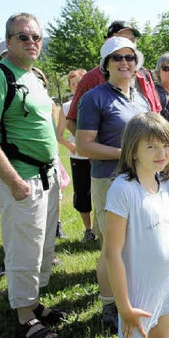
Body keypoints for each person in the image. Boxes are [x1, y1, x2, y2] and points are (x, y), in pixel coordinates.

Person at [0, 13, 64, 338]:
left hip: (46, 178)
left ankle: (34, 303)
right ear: (9, 41)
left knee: (43, 248)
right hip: (21, 181)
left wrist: (57, 165)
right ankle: (25, 319)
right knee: (24, 251)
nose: (31, 42)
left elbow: (42, 129)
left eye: (36, 37)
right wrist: (14, 182)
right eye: (22, 37)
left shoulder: (33, 77)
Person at [76, 37, 151, 332]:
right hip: (109, 180)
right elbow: (84, 146)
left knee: (135, 242)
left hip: (142, 179)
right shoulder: (94, 98)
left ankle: (130, 296)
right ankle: (109, 304)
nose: (124, 63)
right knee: (112, 246)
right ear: (105, 64)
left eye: (130, 58)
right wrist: (127, 154)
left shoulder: (140, 97)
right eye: (117, 58)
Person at [106, 113, 169, 338]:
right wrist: (124, 308)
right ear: (132, 150)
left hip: (167, 288)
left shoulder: (165, 184)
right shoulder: (123, 190)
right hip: (137, 296)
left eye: (166, 145)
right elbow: (112, 253)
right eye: (151, 146)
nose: (161, 153)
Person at [64, 20, 160, 137]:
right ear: (107, 41)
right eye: (123, 38)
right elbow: (71, 122)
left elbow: (156, 113)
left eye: (132, 40)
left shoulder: (144, 74)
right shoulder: (91, 78)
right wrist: (96, 149)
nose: (128, 43)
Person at [56, 68, 96, 243]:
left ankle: (104, 227)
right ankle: (88, 230)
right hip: (79, 158)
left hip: (97, 156)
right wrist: (70, 144)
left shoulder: (96, 101)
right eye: (73, 84)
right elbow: (59, 135)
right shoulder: (66, 107)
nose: (76, 86)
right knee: (82, 194)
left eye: (79, 83)